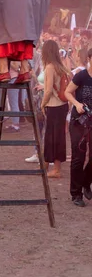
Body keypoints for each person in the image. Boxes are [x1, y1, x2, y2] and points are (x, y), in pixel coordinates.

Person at [65, 48, 92, 207]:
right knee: (78, 157)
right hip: (78, 121)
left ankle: (85, 182)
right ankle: (76, 194)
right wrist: (77, 104)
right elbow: (68, 92)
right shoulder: (81, 75)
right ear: (89, 58)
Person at [40, 40, 70, 179]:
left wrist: (42, 104)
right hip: (62, 106)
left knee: (51, 137)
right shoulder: (60, 66)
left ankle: (55, 169)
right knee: (57, 137)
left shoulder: (50, 68)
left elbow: (48, 91)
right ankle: (48, 166)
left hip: (53, 105)